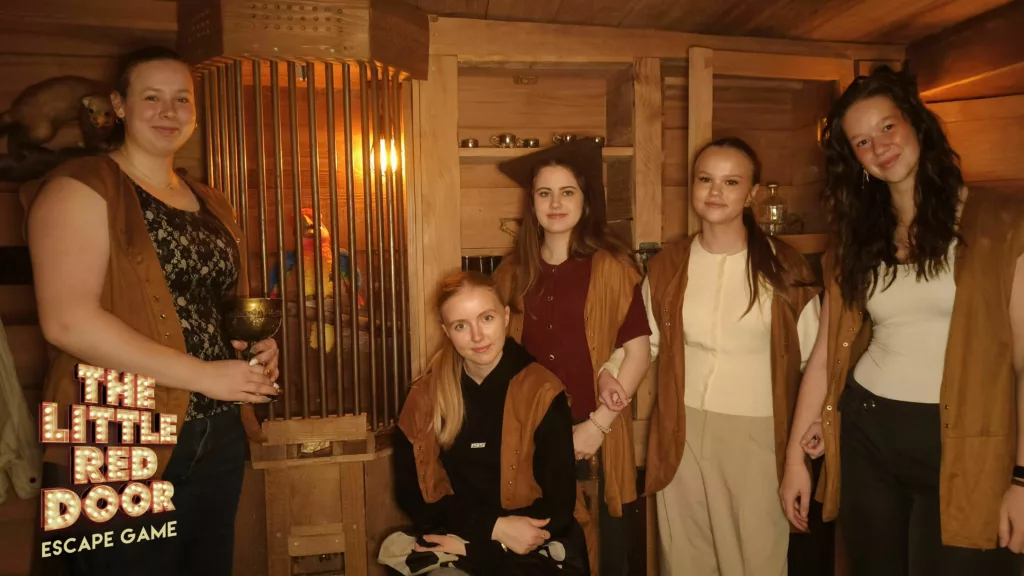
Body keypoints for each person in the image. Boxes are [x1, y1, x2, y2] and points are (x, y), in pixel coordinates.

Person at [23, 46, 280, 575]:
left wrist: (255, 343)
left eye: (181, 99)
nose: (169, 111)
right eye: (151, 97)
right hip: (115, 429)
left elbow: (217, 303)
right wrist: (204, 375)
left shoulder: (210, 199)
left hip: (216, 427)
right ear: (118, 105)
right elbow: (67, 321)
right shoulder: (80, 185)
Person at [779, 65, 1024, 575]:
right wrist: (795, 461)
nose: (880, 146)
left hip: (965, 446)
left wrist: (1023, 479)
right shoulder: (856, 238)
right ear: (856, 160)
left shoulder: (1001, 222)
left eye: (887, 126)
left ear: (916, 123)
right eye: (862, 141)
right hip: (867, 433)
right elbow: (825, 353)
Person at [601, 138, 820, 575]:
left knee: (755, 560)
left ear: (751, 193)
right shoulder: (668, 265)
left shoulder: (786, 267)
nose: (715, 191)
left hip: (759, 438)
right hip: (680, 432)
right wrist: (610, 373)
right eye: (705, 179)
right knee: (685, 560)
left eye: (731, 182)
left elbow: (816, 361)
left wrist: (813, 430)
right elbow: (644, 340)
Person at [491, 140, 652, 576]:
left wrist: (597, 426)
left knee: (601, 552)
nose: (556, 203)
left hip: (594, 432)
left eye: (567, 192)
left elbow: (638, 354)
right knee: (541, 557)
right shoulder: (511, 274)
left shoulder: (613, 268)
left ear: (585, 201)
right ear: (532, 204)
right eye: (544, 193)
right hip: (528, 438)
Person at [388, 271, 588, 576]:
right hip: (454, 539)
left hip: (532, 546)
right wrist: (491, 528)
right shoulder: (424, 397)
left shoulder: (543, 391)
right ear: (446, 331)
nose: (477, 336)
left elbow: (559, 506)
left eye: (486, 318)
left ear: (505, 317)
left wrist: (488, 546)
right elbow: (412, 496)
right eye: (461, 325)